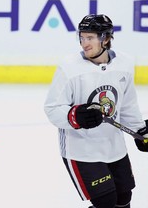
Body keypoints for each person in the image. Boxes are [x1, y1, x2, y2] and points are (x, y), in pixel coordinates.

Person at [44, 14, 148, 208]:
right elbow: (52, 108)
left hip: (114, 147)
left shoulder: (124, 64)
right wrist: (74, 115)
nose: (84, 43)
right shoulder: (69, 67)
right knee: (105, 202)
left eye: (90, 37)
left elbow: (127, 104)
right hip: (82, 150)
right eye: (82, 37)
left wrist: (139, 131)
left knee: (124, 198)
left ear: (106, 38)